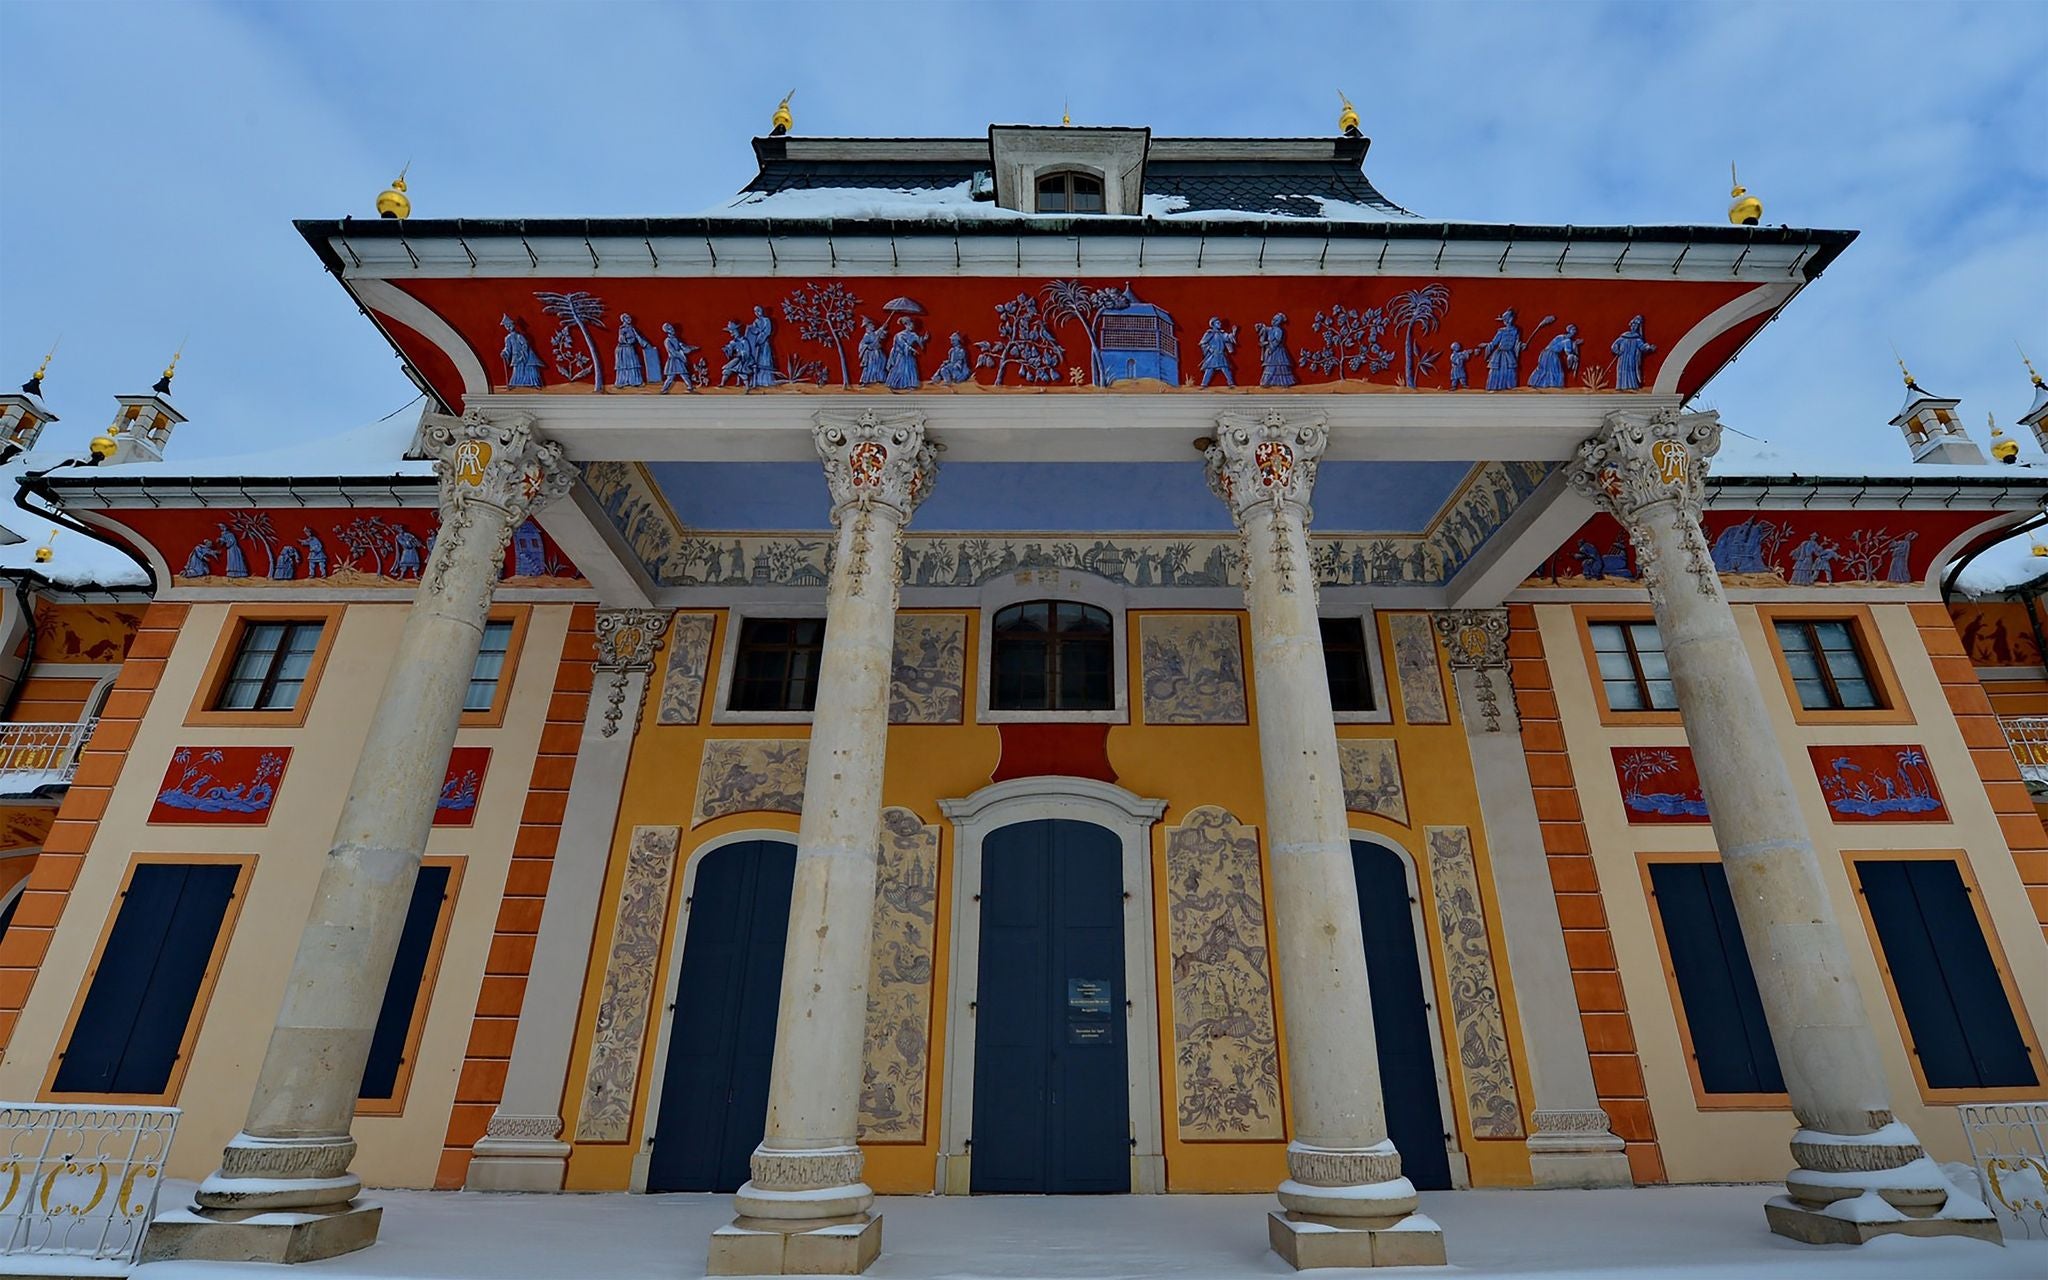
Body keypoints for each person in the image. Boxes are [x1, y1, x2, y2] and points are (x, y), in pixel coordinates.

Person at [1610, 315, 1656, 391]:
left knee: (1631, 370)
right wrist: (1617, 351)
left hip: (1632, 358)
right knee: (1622, 371)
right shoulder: (1624, 336)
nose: (1634, 327)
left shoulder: (1637, 339)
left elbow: (1642, 347)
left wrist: (1649, 347)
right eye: (1633, 325)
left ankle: (1632, 386)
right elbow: (1614, 345)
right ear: (1631, 325)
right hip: (1623, 358)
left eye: (1636, 325)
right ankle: (1621, 386)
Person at [1483, 310, 1525, 391]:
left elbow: (1516, 343)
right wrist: (1487, 348)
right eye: (1504, 319)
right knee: (1497, 371)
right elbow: (1494, 343)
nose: (1505, 321)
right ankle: (1495, 388)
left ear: (1511, 319)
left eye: (1506, 319)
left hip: (1509, 354)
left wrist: (1521, 345)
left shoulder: (1516, 330)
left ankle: (1509, 388)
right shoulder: (1501, 331)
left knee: (1510, 371)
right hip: (1500, 355)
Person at [1530, 324, 1581, 389]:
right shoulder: (1566, 339)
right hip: (1550, 354)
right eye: (1573, 329)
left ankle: (1546, 385)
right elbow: (1568, 352)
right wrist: (1573, 356)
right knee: (1554, 370)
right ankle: (1554, 385)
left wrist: (1574, 345)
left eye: (1575, 330)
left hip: (1547, 354)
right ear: (1569, 330)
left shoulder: (1563, 338)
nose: (1574, 331)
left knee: (1551, 370)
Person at [500, 314, 544, 388]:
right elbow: (508, 348)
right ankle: (517, 384)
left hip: (526, 355)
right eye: (506, 326)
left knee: (530, 368)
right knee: (518, 370)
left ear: (513, 325)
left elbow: (525, 345)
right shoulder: (508, 338)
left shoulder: (519, 336)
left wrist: (523, 354)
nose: (509, 327)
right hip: (516, 356)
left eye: (510, 325)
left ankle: (533, 383)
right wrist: (504, 353)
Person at [885, 317, 926, 389]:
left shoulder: (914, 335)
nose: (911, 326)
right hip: (901, 356)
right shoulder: (899, 335)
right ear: (905, 325)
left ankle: (910, 384)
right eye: (910, 324)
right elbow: (903, 344)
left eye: (912, 325)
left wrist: (924, 340)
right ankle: (896, 384)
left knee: (910, 370)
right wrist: (912, 349)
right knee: (900, 370)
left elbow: (920, 343)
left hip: (909, 356)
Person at [658, 322, 699, 394]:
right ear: (667, 331)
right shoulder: (667, 341)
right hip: (673, 361)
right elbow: (672, 352)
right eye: (670, 329)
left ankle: (690, 386)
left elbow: (683, 347)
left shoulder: (676, 339)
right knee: (670, 377)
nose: (672, 329)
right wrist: (682, 356)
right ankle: (664, 389)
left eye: (672, 328)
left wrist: (691, 348)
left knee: (684, 374)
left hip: (679, 360)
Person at [614, 314, 653, 388]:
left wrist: (645, 344)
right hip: (623, 349)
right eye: (627, 318)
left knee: (633, 364)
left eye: (629, 317)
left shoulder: (632, 328)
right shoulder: (622, 328)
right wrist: (628, 341)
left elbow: (638, 336)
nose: (629, 319)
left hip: (630, 348)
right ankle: (622, 382)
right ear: (623, 319)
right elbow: (621, 338)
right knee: (624, 365)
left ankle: (635, 381)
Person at [1256, 313, 1295, 387]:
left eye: (1276, 320)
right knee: (1270, 367)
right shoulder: (1271, 329)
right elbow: (1264, 328)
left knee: (1276, 367)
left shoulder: (1279, 330)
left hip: (1277, 351)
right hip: (1271, 350)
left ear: (1279, 322)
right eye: (1273, 319)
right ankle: (1267, 382)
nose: (1273, 321)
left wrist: (1270, 347)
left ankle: (1282, 382)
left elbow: (1277, 341)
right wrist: (1260, 326)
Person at [744, 306, 778, 387]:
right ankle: (758, 381)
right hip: (757, 344)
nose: (757, 313)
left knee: (764, 359)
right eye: (755, 311)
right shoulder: (756, 321)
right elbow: (754, 330)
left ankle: (767, 381)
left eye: (758, 310)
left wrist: (759, 339)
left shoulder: (767, 320)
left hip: (764, 343)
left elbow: (767, 332)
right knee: (757, 360)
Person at [1199, 317, 1238, 387]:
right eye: (1217, 323)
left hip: (1221, 354)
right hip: (1213, 355)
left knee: (1226, 369)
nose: (1220, 324)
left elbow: (1228, 338)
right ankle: (1204, 384)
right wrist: (1209, 349)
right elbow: (1203, 343)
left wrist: (1234, 332)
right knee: (1209, 369)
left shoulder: (1222, 334)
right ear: (1213, 324)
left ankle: (1231, 383)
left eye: (1220, 323)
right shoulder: (1209, 333)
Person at [857, 316, 887, 385]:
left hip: (878, 353)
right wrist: (868, 346)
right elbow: (862, 345)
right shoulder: (866, 335)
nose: (873, 326)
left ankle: (879, 379)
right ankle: (866, 380)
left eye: (873, 325)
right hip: (871, 355)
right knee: (870, 367)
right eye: (871, 325)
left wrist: (883, 327)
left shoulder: (874, 333)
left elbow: (879, 332)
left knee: (880, 365)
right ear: (867, 327)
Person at [720, 322, 751, 387]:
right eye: (731, 332)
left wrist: (742, 354)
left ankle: (747, 386)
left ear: (737, 330)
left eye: (733, 331)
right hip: (737, 360)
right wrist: (727, 349)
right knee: (727, 370)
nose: (732, 334)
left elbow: (747, 352)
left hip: (744, 361)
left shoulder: (744, 341)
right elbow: (730, 347)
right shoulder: (733, 342)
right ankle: (722, 383)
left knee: (741, 371)